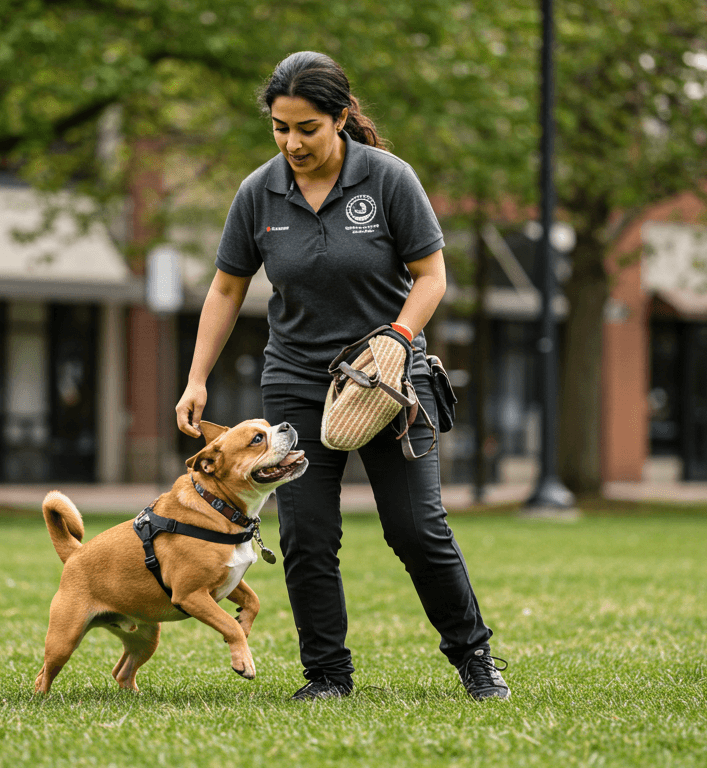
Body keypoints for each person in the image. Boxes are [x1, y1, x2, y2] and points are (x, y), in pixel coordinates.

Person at [174, 51, 508, 702]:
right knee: (306, 535)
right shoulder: (258, 192)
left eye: (307, 128)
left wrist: (397, 337)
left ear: (341, 118)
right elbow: (226, 288)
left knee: (416, 528)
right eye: (280, 128)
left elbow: (432, 276)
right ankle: (327, 675)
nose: (292, 143)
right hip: (297, 379)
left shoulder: (389, 180)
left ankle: (474, 657)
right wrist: (196, 379)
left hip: (388, 381)